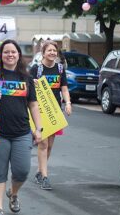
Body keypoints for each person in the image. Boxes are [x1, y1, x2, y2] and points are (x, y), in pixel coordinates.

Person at [0, 39, 42, 215]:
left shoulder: (26, 77)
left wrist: (38, 129)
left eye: (13, 52)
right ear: (1, 55)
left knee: (22, 171)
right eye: (6, 52)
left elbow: (33, 105)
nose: (10, 55)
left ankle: (13, 194)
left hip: (21, 132)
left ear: (18, 54)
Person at [29, 40, 72, 190]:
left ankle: (40, 172)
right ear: (43, 53)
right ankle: (45, 177)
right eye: (49, 51)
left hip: (54, 111)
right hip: (39, 111)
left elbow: (64, 88)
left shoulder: (60, 69)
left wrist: (67, 103)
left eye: (54, 50)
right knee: (43, 144)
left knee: (50, 146)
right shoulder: (36, 69)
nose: (52, 53)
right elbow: (27, 86)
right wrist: (32, 82)